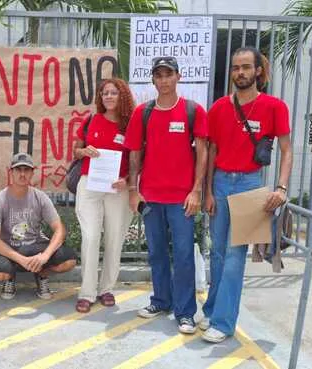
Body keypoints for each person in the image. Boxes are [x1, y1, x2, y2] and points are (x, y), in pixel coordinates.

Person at [201, 47, 292, 343]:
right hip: (221, 182)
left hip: (250, 184)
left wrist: (281, 187)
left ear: (258, 72)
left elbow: (287, 150)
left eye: (245, 67)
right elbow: (211, 150)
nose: (240, 72)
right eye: (235, 67)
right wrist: (207, 191)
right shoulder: (218, 108)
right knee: (216, 251)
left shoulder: (274, 107)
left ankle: (224, 323)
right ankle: (213, 309)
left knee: (233, 254)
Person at [123, 56, 209, 334]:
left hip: (182, 198)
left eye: (168, 74)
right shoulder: (143, 113)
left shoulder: (193, 111)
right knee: (157, 253)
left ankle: (185, 312)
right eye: (158, 75)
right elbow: (135, 151)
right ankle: (160, 301)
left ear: (178, 77)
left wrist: (196, 191)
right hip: (150, 197)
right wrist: (134, 190)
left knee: (183, 255)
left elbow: (203, 153)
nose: (164, 80)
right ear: (153, 80)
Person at [71, 78, 135, 313]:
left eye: (113, 92)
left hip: (118, 189)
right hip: (90, 186)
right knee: (90, 238)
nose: (108, 96)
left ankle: (106, 289)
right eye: (104, 93)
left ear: (122, 96)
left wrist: (127, 180)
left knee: (114, 239)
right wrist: (83, 151)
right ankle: (87, 292)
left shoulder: (130, 124)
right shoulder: (91, 120)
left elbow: (138, 158)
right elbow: (75, 151)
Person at [0, 153, 77, 300]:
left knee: (69, 260)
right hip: (10, 250)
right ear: (11, 172)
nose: (22, 174)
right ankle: (10, 278)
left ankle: (41, 274)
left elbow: (59, 229)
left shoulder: (40, 197)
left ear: (32, 173)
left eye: (26, 170)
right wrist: (22, 260)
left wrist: (45, 256)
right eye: (18, 169)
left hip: (35, 248)